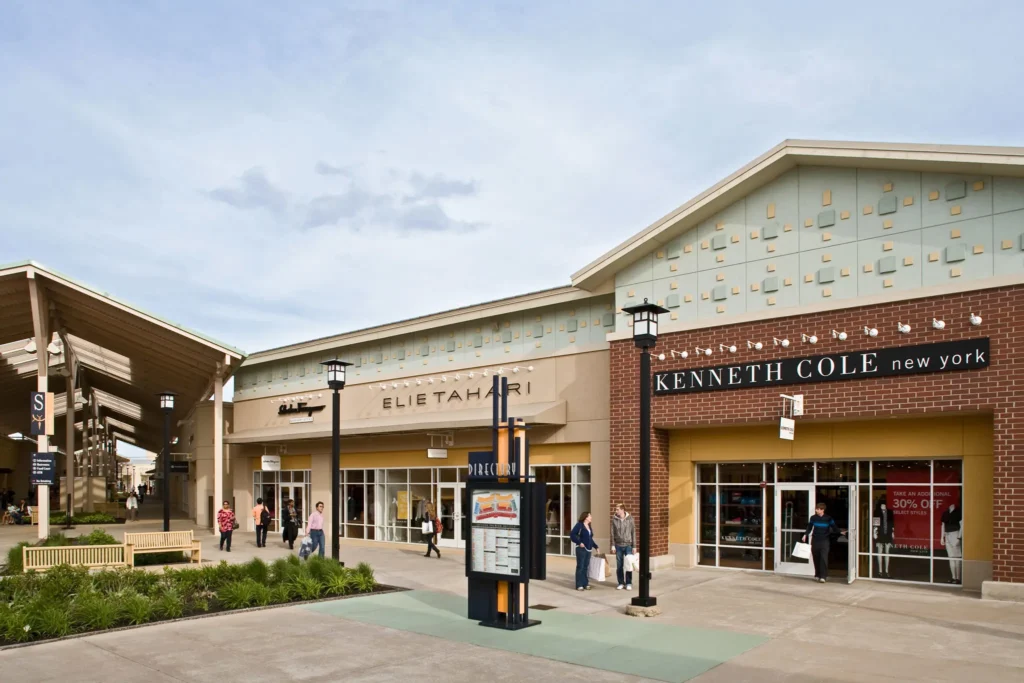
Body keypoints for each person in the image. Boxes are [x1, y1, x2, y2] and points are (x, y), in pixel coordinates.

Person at [802, 502, 846, 583]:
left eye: (818, 509)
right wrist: (805, 534)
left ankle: (823, 576)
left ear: (822, 510)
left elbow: (834, 527)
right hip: (815, 540)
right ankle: (817, 575)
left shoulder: (828, 518)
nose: (816, 510)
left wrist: (840, 532)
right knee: (816, 558)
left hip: (825, 541)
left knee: (823, 558)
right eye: (816, 509)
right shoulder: (813, 518)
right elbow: (809, 527)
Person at [570, 511, 599, 591]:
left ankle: (585, 583)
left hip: (588, 549)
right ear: (585, 517)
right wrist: (579, 542)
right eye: (590, 516)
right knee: (580, 566)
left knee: (586, 567)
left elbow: (590, 539)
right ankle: (579, 585)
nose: (591, 517)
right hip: (581, 549)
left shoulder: (589, 526)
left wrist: (596, 546)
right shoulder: (579, 525)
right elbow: (572, 534)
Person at [611, 503, 635, 591]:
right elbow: (612, 533)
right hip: (618, 545)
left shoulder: (630, 519)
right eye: (616, 509)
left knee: (628, 565)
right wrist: (613, 545)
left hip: (628, 545)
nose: (616, 511)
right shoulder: (614, 519)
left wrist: (634, 546)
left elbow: (633, 532)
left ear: (622, 510)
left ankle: (628, 583)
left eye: (617, 509)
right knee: (619, 565)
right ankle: (621, 582)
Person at [940, 502, 963, 585]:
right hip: (947, 535)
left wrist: (959, 537)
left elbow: (962, 525)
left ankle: (958, 578)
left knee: (957, 557)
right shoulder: (945, 513)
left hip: (955, 534)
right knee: (951, 558)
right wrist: (942, 537)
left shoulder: (958, 512)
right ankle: (953, 577)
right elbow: (943, 525)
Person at [874, 501, 895, 578]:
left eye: (884, 505)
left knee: (887, 552)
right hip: (880, 534)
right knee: (879, 552)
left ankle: (886, 570)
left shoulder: (890, 512)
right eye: (881, 505)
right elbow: (875, 523)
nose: (882, 506)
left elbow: (892, 523)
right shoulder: (877, 512)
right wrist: (875, 533)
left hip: (888, 534)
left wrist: (893, 533)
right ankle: (880, 571)